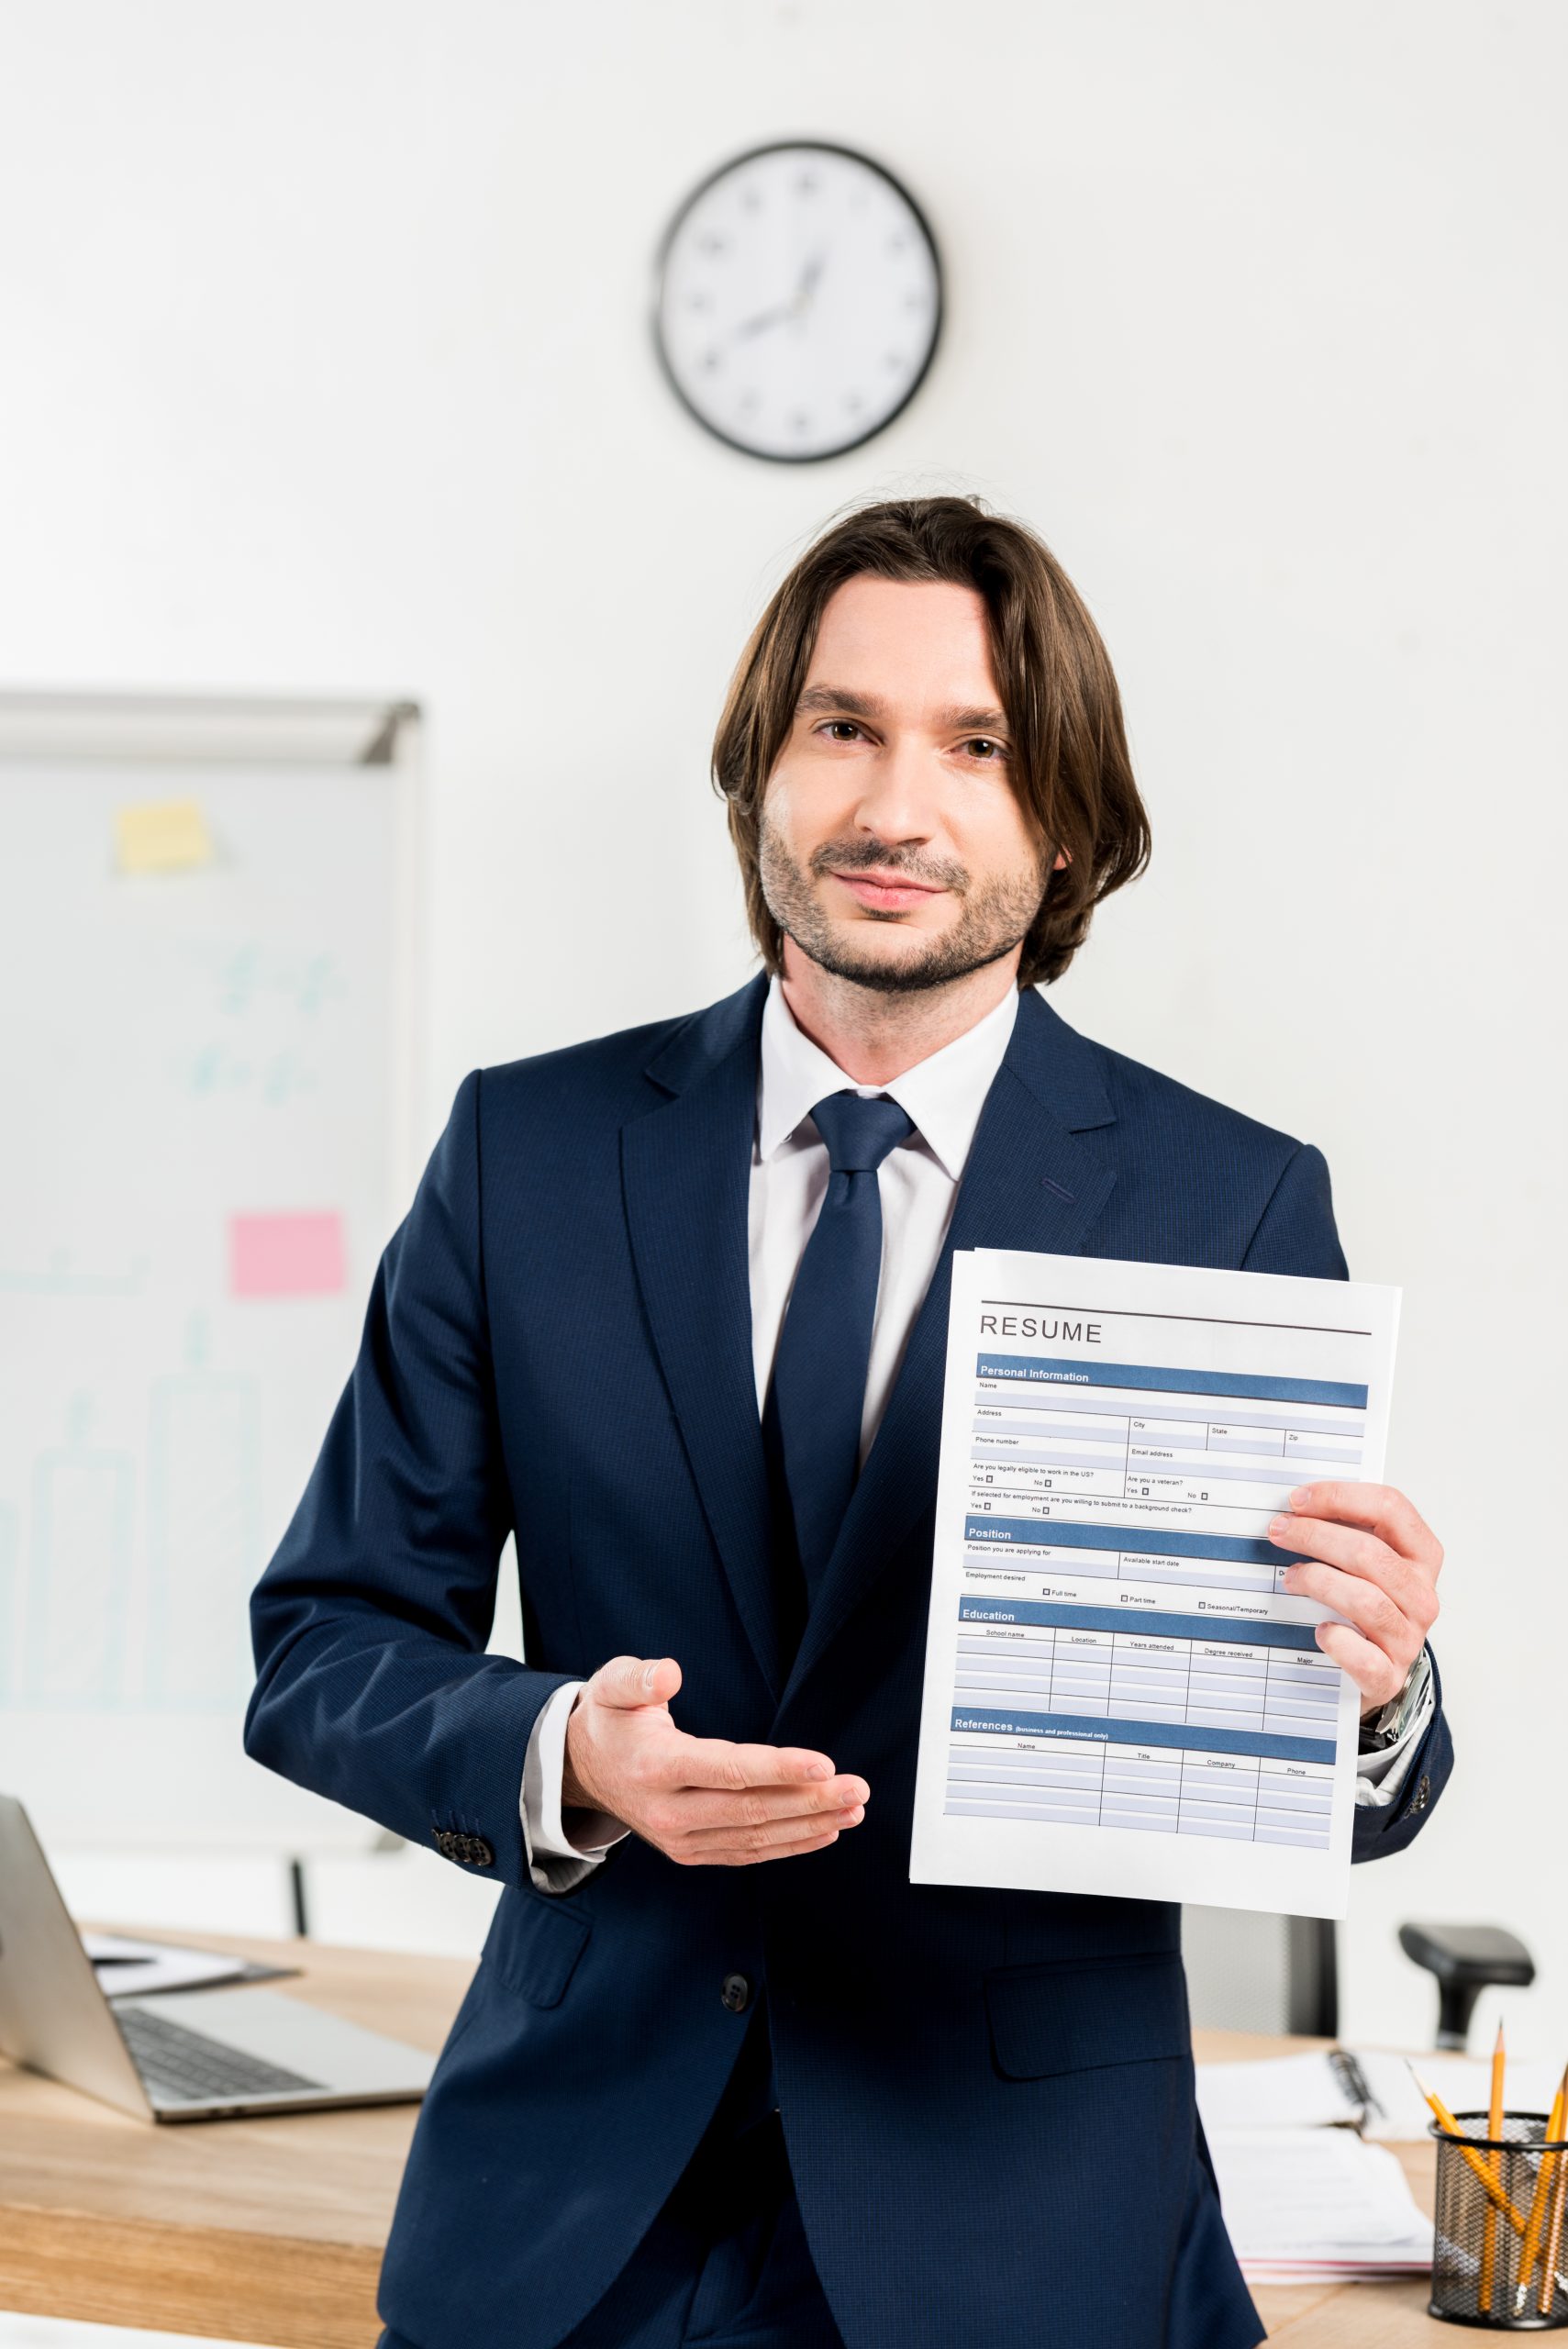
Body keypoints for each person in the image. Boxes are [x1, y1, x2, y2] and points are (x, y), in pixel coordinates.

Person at [244, 497, 1451, 2349]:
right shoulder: (529, 1151)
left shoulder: (1233, 1200)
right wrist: (566, 1751)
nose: (900, 802)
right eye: (844, 727)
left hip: (1017, 2231)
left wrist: (1372, 1693)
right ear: (759, 773)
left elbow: (1327, 1786)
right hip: (571, 2224)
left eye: (980, 744)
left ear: (1065, 820)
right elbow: (321, 1642)